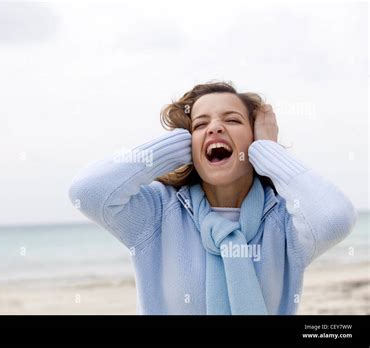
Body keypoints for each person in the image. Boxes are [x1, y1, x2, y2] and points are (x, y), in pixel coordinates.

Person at [68, 81, 357, 315]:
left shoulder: (284, 221)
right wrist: (178, 145)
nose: (215, 128)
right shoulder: (157, 212)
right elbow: (88, 191)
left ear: (254, 138)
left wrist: (269, 151)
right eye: (199, 125)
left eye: (232, 120)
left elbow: (334, 217)